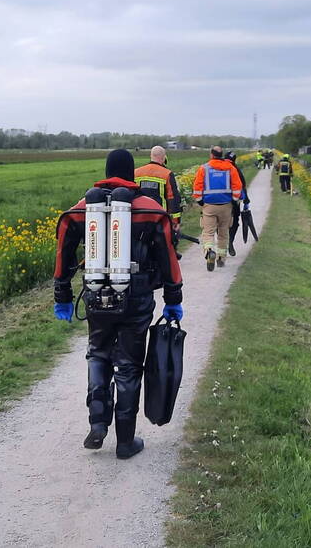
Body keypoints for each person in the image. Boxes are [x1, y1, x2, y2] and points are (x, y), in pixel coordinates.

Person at [53, 149, 183, 460]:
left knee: (97, 354)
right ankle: (125, 441)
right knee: (128, 367)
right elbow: (168, 258)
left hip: (97, 296)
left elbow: (63, 252)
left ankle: (98, 423)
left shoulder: (82, 209)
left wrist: (63, 297)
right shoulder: (151, 210)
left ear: (107, 171)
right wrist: (173, 300)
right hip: (136, 299)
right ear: (132, 174)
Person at [192, 146, 243, 271]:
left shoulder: (204, 168)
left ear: (211, 154)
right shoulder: (230, 168)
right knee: (223, 233)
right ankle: (221, 258)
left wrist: (200, 202)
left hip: (209, 205)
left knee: (208, 232)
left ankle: (209, 252)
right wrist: (234, 200)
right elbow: (238, 186)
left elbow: (197, 187)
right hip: (226, 205)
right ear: (222, 155)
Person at [134, 145, 182, 234]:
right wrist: (176, 221)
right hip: (160, 218)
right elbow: (173, 199)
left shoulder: (136, 172)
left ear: (151, 156)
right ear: (164, 158)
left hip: (139, 217)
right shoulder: (167, 174)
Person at [224, 151, 251, 256]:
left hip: (220, 200)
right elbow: (242, 185)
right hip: (234, 201)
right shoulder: (236, 169)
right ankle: (230, 241)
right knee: (234, 222)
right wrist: (246, 200)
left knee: (220, 223)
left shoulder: (217, 167)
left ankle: (223, 242)